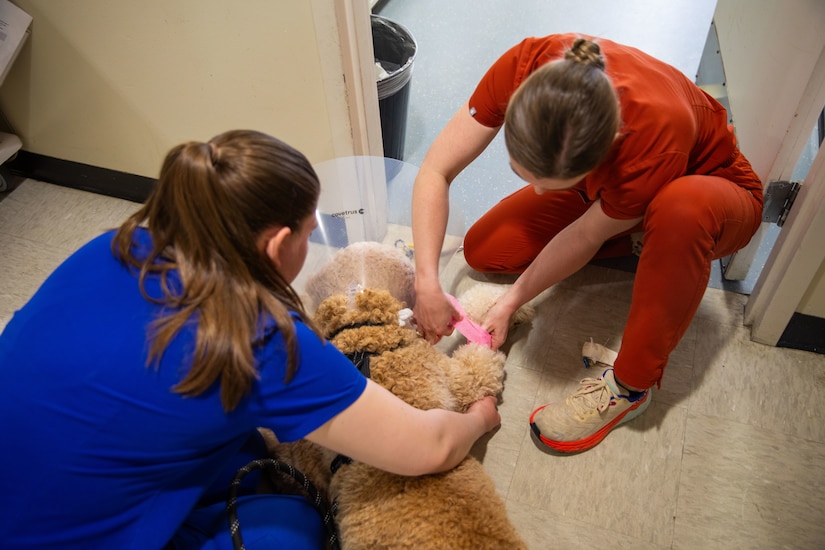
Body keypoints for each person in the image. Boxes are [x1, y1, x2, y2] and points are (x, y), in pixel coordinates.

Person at [0, 129, 500, 549]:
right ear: (279, 243)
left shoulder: (116, 244)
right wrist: (478, 416)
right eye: (309, 232)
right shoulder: (256, 340)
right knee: (293, 528)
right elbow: (428, 447)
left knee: (240, 442)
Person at [410, 33, 763, 454]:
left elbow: (583, 234)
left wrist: (512, 300)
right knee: (486, 249)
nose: (538, 193)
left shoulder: (652, 143)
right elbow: (435, 170)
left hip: (715, 193)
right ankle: (639, 233)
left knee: (678, 211)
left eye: (548, 183)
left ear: (604, 154)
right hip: (622, 189)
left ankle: (631, 386)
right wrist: (426, 281)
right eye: (525, 175)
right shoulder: (526, 67)